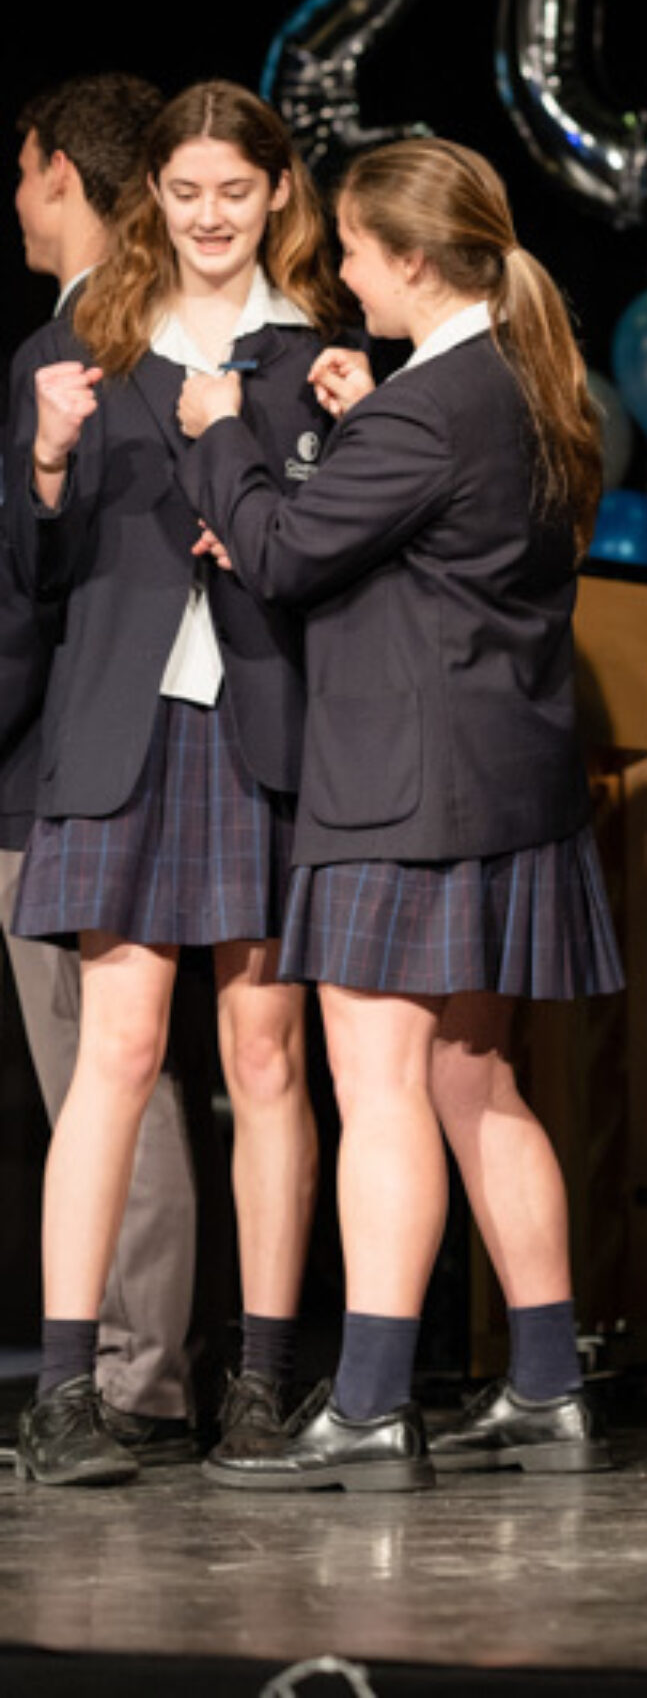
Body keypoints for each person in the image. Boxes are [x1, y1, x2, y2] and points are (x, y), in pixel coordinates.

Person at [178, 137, 621, 1493]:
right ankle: (547, 1387)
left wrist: (221, 439)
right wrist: (363, 423)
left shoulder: (428, 410)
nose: (345, 275)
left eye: (358, 255)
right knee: (474, 1079)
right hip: (502, 781)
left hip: (406, 795)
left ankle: (370, 1404)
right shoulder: (519, 382)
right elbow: (430, 539)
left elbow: (282, 555)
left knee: (380, 1090)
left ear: (416, 261)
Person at [7, 80, 342, 1487]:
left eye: (236, 192)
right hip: (124, 731)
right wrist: (46, 462)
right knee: (120, 1054)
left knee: (266, 1059)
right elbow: (32, 575)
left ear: (278, 193)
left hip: (263, 726)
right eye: (187, 192)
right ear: (151, 193)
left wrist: (278, 506)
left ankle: (261, 1383)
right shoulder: (79, 341)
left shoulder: (318, 352)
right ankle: (65, 1391)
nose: (211, 218)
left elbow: (347, 554)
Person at [4, 72, 232, 1463]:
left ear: (65, 176)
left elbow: (28, 600)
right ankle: (130, 1373)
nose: (16, 199)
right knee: (118, 1068)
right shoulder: (95, 345)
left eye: (23, 171)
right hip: (84, 757)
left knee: (113, 1067)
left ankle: (137, 1379)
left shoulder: (95, 345)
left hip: (65, 768)